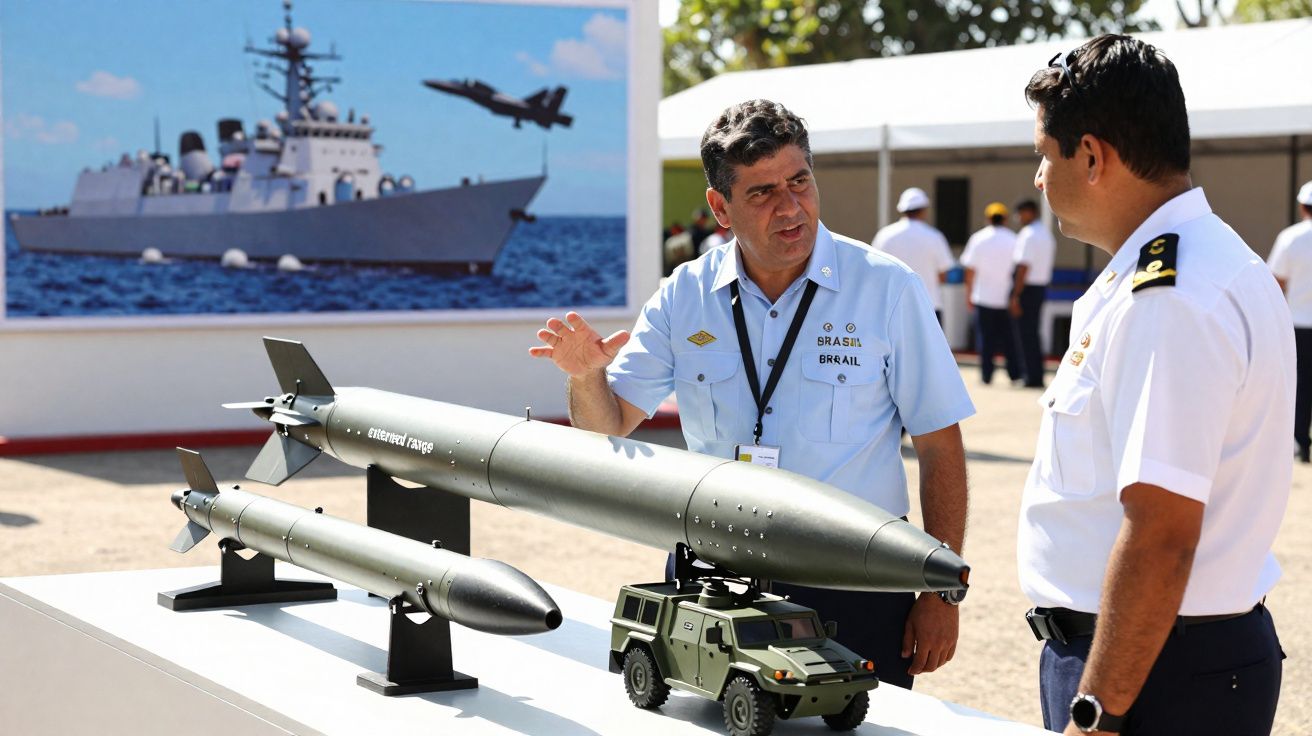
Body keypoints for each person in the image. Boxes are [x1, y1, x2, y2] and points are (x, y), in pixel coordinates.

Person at [530, 99, 974, 690]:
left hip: (854, 583)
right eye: (763, 192)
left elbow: (941, 444)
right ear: (720, 207)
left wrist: (942, 591)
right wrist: (586, 377)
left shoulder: (886, 289)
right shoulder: (684, 294)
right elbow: (605, 430)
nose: (791, 207)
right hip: (716, 577)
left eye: (800, 181)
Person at [1018, 35, 1290, 735]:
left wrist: (1096, 712)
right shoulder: (1197, 266)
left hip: (1150, 677)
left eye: (1045, 156)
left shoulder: (1167, 298)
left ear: (1092, 156)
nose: (1039, 179)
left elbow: (1162, 533)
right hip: (1159, 658)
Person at [1267, 180, 1312, 463]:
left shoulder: (1291, 237)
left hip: (1297, 324)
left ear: (1301, 206)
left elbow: (1276, 281)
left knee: (1299, 385)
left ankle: (1299, 442)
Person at [871, 187, 956, 324]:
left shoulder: (885, 236)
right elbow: (943, 275)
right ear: (923, 210)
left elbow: (875, 271)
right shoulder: (934, 237)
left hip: (893, 305)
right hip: (928, 304)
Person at [960, 202, 1022, 385]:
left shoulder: (978, 239)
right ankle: (1014, 374)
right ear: (1005, 219)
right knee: (1009, 340)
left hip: (983, 298)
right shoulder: (1014, 239)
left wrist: (968, 295)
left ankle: (986, 376)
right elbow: (1019, 270)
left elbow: (970, 271)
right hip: (1006, 298)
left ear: (987, 218)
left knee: (986, 340)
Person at [1010, 199, 1056, 388]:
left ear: (1030, 212)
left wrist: (1015, 295)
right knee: (1032, 333)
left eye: (1021, 213)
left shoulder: (1028, 234)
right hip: (1039, 288)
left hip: (1027, 289)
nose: (1019, 218)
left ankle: (1031, 376)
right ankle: (1035, 374)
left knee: (1025, 334)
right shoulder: (1045, 233)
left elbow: (1023, 267)